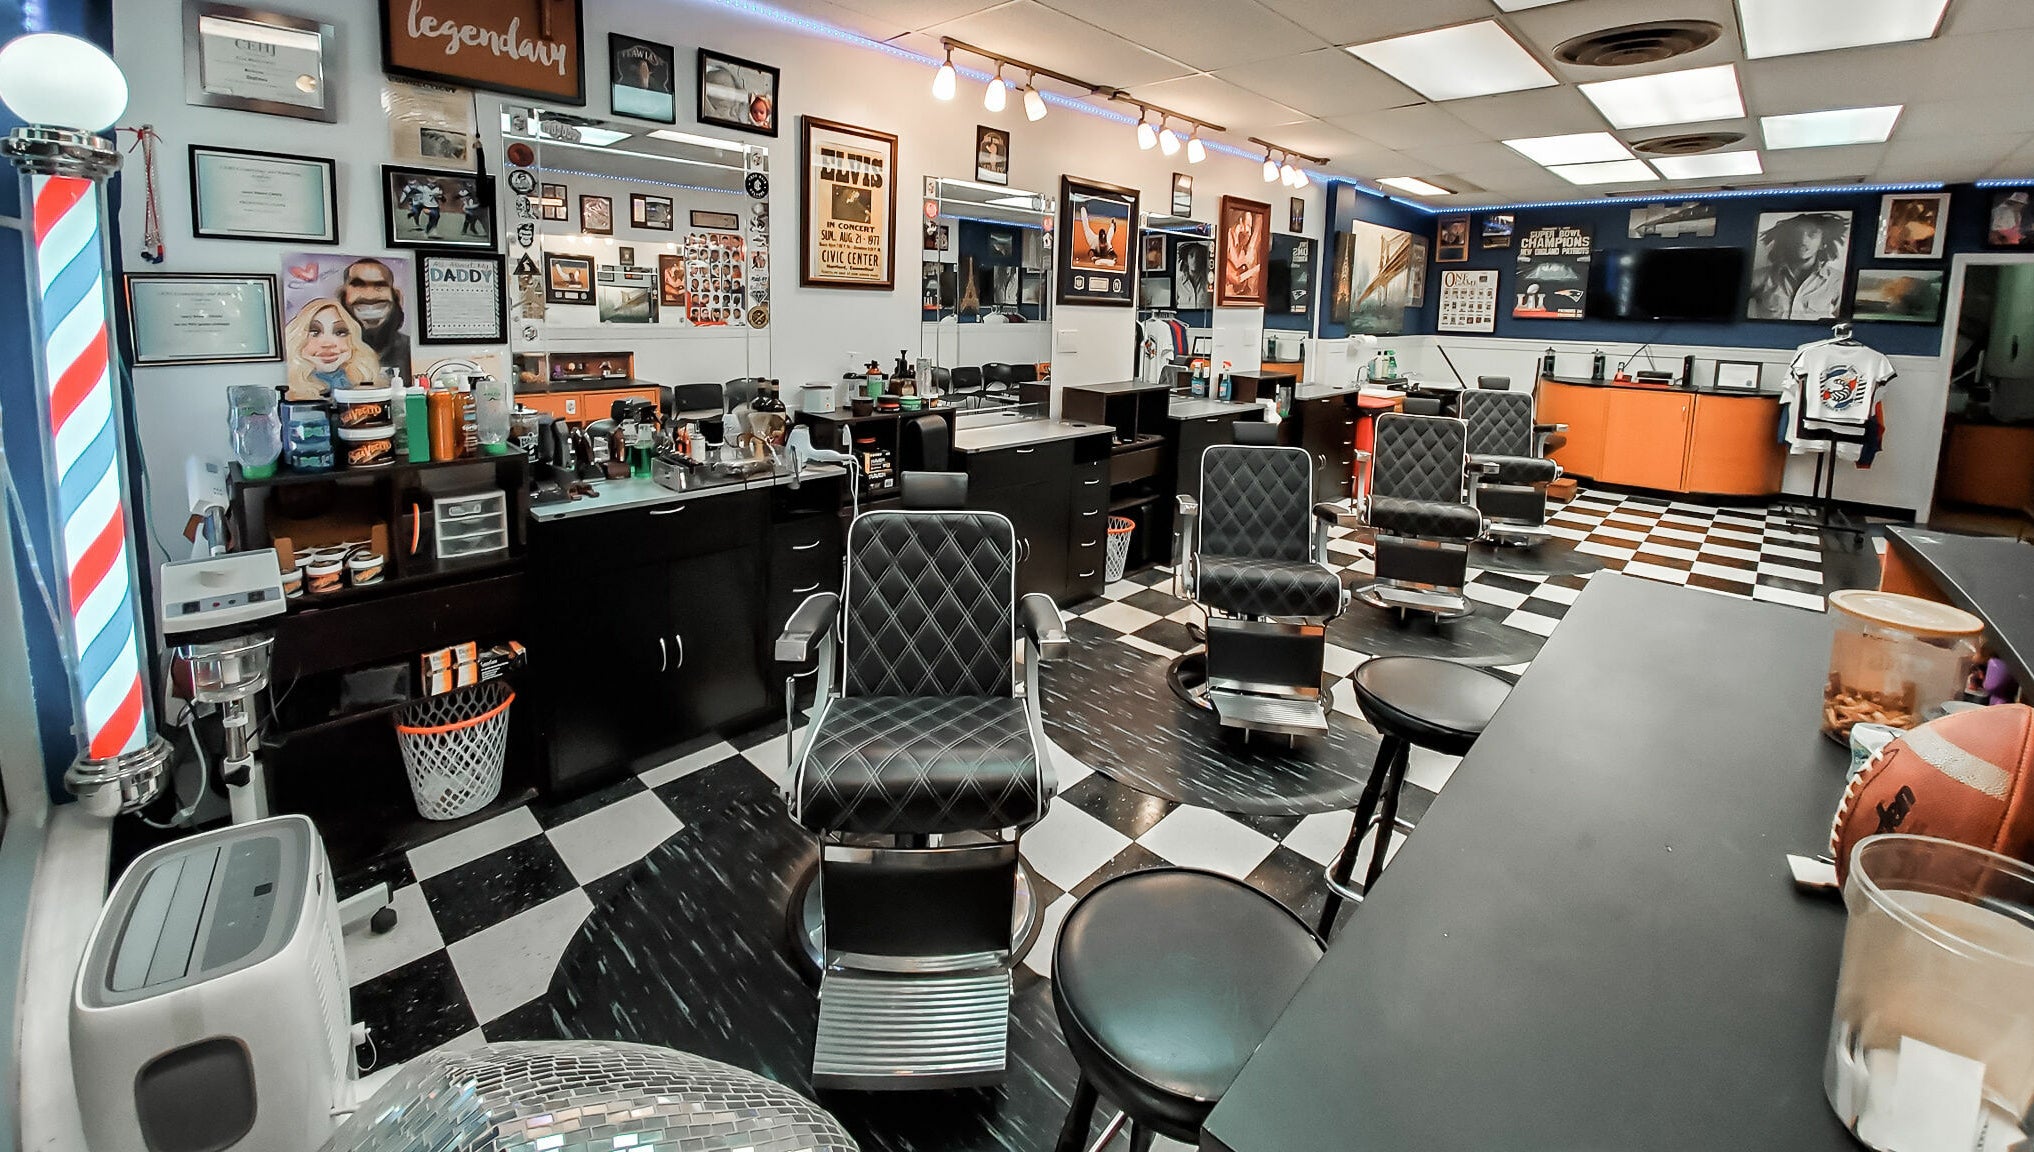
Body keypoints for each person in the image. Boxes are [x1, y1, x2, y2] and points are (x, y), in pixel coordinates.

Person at [1748, 213, 1848, 320]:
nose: (1803, 241)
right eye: (1796, 234)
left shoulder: (1837, 281)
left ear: (1822, 243)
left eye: (1812, 234)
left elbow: (1847, 321)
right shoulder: (1760, 277)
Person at [283, 299, 380, 400]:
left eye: (340, 332)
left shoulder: (364, 382)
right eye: (315, 333)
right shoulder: (289, 390)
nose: (328, 344)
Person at [339, 258, 411, 375]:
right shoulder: (330, 351)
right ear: (343, 296)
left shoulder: (408, 349)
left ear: (396, 296)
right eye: (358, 285)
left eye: (380, 285)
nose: (369, 296)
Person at [1076, 204, 1120, 268]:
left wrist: (1114, 259)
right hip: (1092, 239)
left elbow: (1114, 255)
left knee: (1111, 230)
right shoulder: (1094, 243)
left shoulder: (1108, 242)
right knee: (1086, 227)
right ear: (1099, 241)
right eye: (1101, 243)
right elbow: (1091, 253)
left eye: (1104, 243)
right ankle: (1082, 208)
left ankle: (1113, 223)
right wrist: (1093, 258)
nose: (1103, 245)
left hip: (1106, 239)